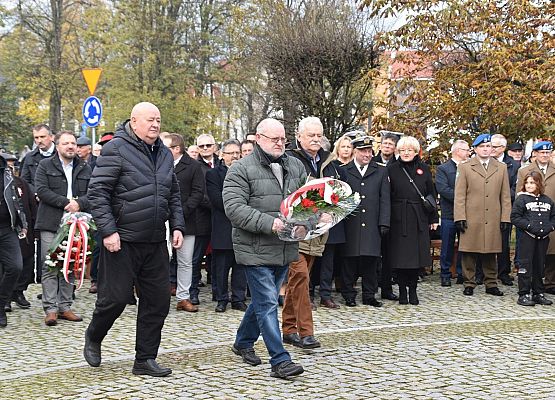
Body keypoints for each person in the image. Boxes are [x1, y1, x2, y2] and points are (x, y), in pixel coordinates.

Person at [83, 102, 185, 377]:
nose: (155, 125)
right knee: (114, 299)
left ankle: (145, 359)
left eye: (159, 120)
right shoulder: (116, 148)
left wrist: (177, 225)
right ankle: (94, 335)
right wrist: (108, 231)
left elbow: (173, 193)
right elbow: (98, 192)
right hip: (122, 239)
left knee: (158, 302)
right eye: (150, 120)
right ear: (134, 121)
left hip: (154, 241)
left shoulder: (163, 153)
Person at [223, 118, 306, 379]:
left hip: (284, 248)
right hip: (254, 248)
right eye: (274, 139)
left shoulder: (295, 165)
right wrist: (270, 224)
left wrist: (313, 221)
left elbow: (306, 203)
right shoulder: (240, 169)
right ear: (258, 138)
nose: (280, 143)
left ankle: (243, 342)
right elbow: (235, 209)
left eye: (283, 139)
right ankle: (280, 360)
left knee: (262, 300)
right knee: (269, 302)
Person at [284, 116, 344, 347]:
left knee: (297, 280)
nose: (316, 139)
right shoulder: (290, 160)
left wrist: (332, 210)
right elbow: (289, 194)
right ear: (299, 137)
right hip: (295, 230)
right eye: (311, 135)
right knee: (300, 277)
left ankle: (288, 329)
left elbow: (339, 193)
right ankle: (306, 332)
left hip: (319, 232)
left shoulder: (329, 162)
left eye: (319, 135)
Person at [35, 131, 92, 326]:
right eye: (65, 143)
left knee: (71, 264)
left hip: (76, 223)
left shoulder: (85, 167)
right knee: (50, 264)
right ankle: (50, 309)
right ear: (57, 145)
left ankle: (65, 306)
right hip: (51, 222)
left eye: (73, 143)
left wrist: (79, 204)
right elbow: (41, 190)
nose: (70, 146)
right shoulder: (45, 165)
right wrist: (67, 203)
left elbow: (93, 192)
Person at [454, 133, 512, 297]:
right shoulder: (465, 167)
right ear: (475, 149)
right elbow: (460, 195)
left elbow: (505, 196)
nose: (486, 149)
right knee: (469, 250)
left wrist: (505, 217)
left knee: (490, 250)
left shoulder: (501, 168)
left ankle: (491, 283)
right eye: (482, 147)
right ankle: (469, 282)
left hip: (493, 216)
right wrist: (460, 217)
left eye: (488, 147)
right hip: (471, 215)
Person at [388, 136, 438, 305]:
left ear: (416, 152)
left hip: (419, 218)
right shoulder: (392, 169)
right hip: (398, 218)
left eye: (410, 150)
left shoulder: (423, 169)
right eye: (402, 150)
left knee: (416, 258)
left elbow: (431, 194)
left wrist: (433, 218)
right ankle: (402, 292)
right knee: (401, 259)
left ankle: (413, 291)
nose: (406, 153)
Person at [341, 136, 390, 307]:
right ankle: (348, 293)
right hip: (351, 222)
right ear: (355, 151)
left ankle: (369, 294)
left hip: (372, 222)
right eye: (363, 151)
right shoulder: (344, 170)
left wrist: (384, 222)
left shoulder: (381, 171)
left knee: (371, 260)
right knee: (349, 260)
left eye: (370, 151)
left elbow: (385, 198)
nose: (367, 155)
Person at [162, 133, 204, 313]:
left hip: (187, 220)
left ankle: (183, 297)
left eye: (166, 147)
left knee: (186, 261)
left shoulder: (193, 166)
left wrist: (180, 213)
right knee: (160, 260)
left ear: (176, 149)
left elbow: (197, 193)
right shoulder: (159, 164)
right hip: (160, 221)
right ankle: (157, 298)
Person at [206, 139, 247, 312]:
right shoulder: (213, 175)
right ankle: (221, 298)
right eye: (231, 153)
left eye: (237, 153)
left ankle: (238, 298)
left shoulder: (247, 173)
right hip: (223, 226)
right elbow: (217, 200)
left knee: (240, 267)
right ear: (222, 155)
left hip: (242, 227)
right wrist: (238, 207)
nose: (235, 156)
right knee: (221, 267)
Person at [516, 141, 555, 295]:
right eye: (542, 152)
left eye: (548, 152)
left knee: (551, 251)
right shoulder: (524, 171)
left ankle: (549, 283)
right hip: (531, 216)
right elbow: (520, 193)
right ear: (535, 154)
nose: (545, 155)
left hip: (549, 214)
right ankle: (526, 287)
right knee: (529, 256)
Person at [511, 171, 554, 306]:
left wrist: (550, 227)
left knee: (539, 265)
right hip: (527, 238)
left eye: (532, 182)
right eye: (527, 182)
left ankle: (538, 293)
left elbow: (553, 216)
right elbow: (515, 217)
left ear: (539, 183)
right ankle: (523, 294)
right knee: (525, 265)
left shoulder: (547, 200)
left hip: (543, 239)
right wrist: (529, 226)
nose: (529, 185)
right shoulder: (521, 199)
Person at [435, 140, 470, 286]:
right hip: (449, 213)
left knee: (465, 246)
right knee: (447, 246)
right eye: (466, 150)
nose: (469, 152)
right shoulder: (443, 169)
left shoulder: (470, 168)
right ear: (457, 151)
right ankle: (445, 274)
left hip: (466, 213)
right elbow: (443, 190)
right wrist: (463, 197)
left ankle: (462, 273)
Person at [191, 133, 219, 305]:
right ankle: (192, 291)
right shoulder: (194, 166)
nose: (205, 148)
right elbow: (197, 193)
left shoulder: (222, 164)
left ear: (214, 146)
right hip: (201, 218)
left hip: (220, 219)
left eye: (208, 145)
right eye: (202, 146)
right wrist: (216, 204)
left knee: (218, 258)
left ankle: (218, 292)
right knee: (196, 258)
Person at [0, 154, 27, 327]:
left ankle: (0, 303)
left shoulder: (6, 171)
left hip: (6, 228)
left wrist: (22, 222)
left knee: (15, 267)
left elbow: (16, 201)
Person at [491, 134, 518, 286]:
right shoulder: (484, 162)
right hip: (485, 207)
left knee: (503, 242)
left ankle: (503, 272)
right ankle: (482, 273)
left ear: (503, 148)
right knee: (485, 239)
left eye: (494, 146)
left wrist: (502, 195)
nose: (491, 149)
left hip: (505, 208)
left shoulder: (513, 165)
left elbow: (516, 187)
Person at [20, 124, 56, 190]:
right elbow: (24, 181)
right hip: (36, 197)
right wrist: (35, 193)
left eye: (42, 137)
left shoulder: (62, 154)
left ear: (51, 137)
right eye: (36, 138)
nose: (39, 141)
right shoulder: (29, 157)